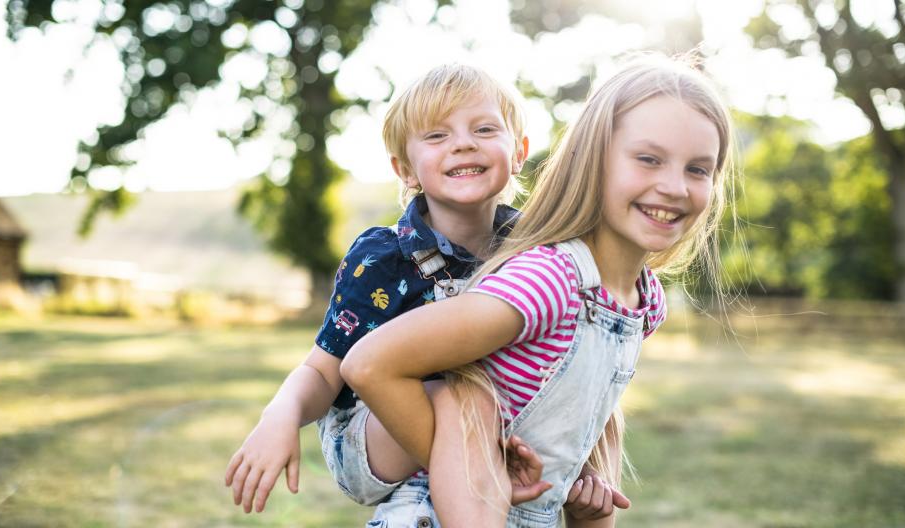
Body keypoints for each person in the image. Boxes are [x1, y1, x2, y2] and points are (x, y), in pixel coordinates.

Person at [342, 52, 737, 527]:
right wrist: (480, 471)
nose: (675, 186)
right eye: (649, 159)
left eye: (698, 169)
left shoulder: (643, 301)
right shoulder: (548, 279)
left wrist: (589, 486)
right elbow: (369, 363)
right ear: (594, 161)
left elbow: (592, 423)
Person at [224, 63, 627, 522]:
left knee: (544, 378)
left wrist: (586, 463)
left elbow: (567, 365)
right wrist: (281, 415)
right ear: (405, 169)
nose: (463, 143)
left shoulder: (536, 253)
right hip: (370, 435)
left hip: (487, 430)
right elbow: (323, 371)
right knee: (463, 394)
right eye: (436, 136)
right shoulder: (382, 257)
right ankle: (481, 483)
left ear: (518, 153)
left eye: (484, 128)